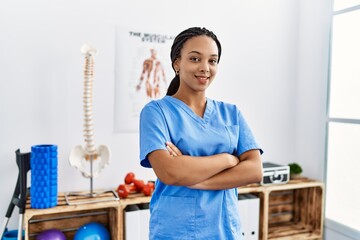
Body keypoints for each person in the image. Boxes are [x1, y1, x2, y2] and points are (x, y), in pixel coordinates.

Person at [139, 27, 263, 240]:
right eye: (195, 59)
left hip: (225, 231)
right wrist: (227, 159)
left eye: (212, 61)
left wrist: (193, 178)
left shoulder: (231, 113)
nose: (205, 68)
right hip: (176, 231)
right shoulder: (156, 112)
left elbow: (254, 170)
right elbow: (169, 172)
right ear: (177, 63)